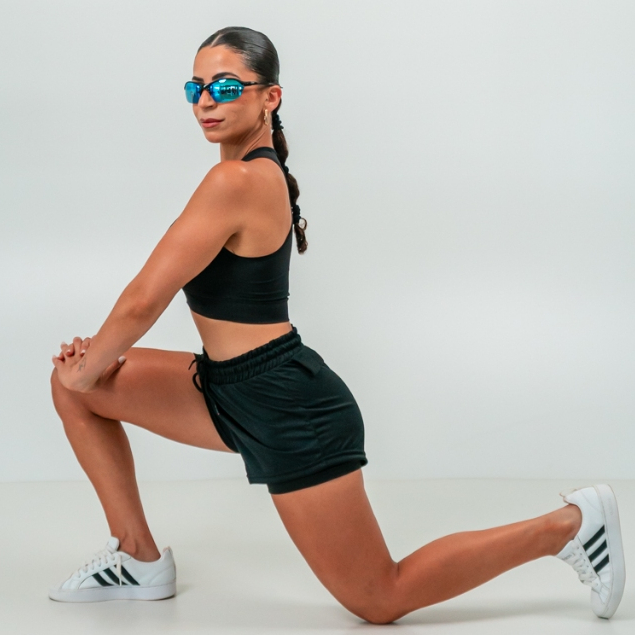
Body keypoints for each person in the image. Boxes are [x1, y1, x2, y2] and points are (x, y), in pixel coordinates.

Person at [48, 26, 626, 623]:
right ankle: (137, 558)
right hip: (226, 387)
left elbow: (144, 299)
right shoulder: (248, 173)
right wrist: (87, 371)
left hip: (288, 406)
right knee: (72, 387)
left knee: (380, 596)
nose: (206, 102)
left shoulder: (236, 181)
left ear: (270, 96)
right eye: (196, 88)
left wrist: (93, 365)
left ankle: (569, 526)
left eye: (225, 86)